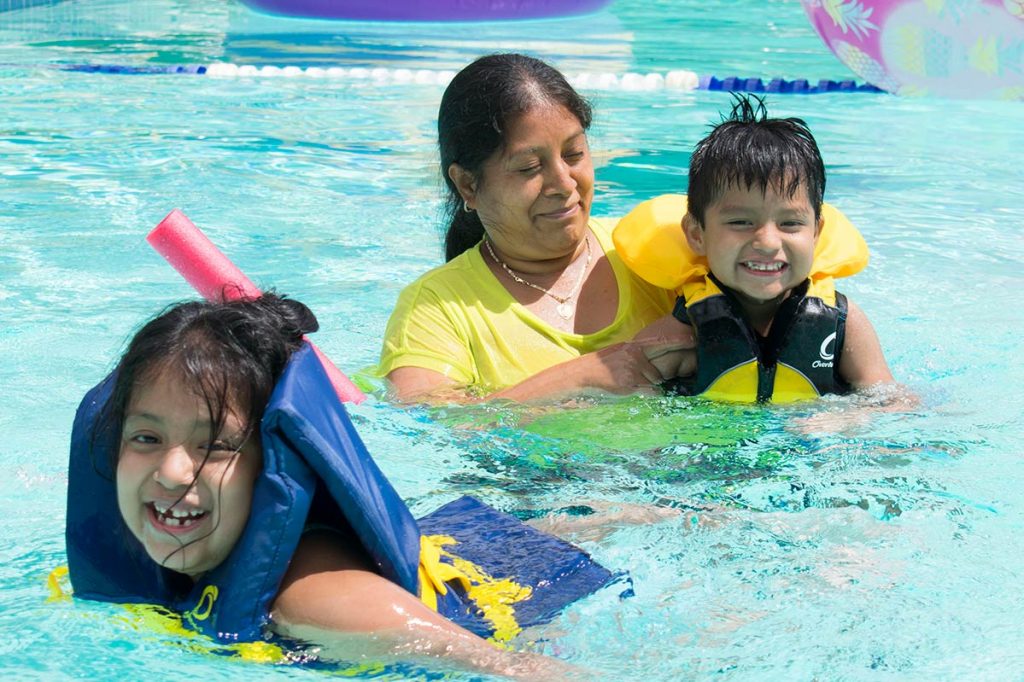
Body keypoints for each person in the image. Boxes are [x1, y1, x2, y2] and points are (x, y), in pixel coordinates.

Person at [64, 293, 621, 678]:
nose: (172, 472)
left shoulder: (309, 599)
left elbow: (523, 672)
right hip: (471, 538)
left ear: (272, 466)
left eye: (215, 446)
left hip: (530, 582)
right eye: (145, 438)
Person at [379, 52, 694, 402]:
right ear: (468, 185)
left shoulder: (657, 249)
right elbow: (428, 423)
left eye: (574, 154)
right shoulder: (436, 308)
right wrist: (580, 378)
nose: (564, 183)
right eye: (529, 167)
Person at [614, 94, 893, 403]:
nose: (767, 242)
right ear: (697, 234)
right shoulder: (680, 332)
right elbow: (627, 403)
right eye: (741, 222)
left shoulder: (843, 323)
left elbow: (892, 403)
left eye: (789, 224)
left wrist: (844, 421)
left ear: (817, 232)